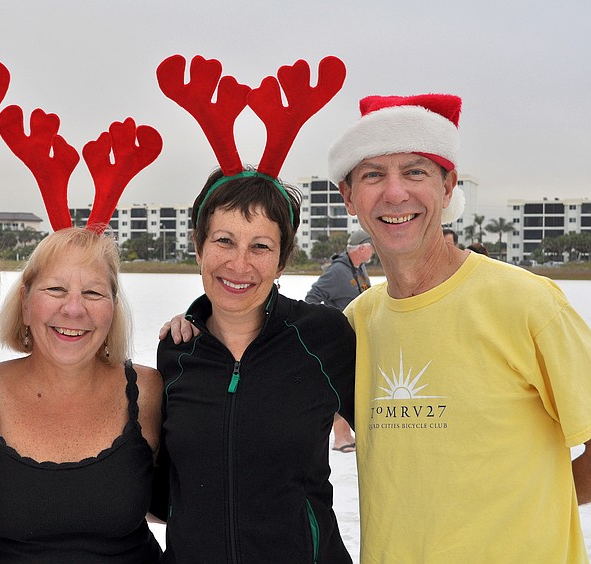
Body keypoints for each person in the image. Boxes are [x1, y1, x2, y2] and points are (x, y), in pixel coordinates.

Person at [328, 93, 591, 562]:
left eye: (415, 172)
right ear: (349, 197)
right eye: (372, 174)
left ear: (448, 187)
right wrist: (198, 323)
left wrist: (529, 507)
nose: (394, 193)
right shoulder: (356, 325)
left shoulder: (529, 304)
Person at [154, 168, 356, 563]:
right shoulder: (176, 352)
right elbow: (164, 490)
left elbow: (398, 441)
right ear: (199, 248)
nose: (239, 264)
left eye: (260, 246)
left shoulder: (322, 337)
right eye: (224, 241)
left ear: (281, 261)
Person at [0, 227, 163, 563]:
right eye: (55, 289)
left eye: (94, 293)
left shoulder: (150, 392)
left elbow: (194, 505)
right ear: (25, 303)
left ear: (113, 308)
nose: (74, 310)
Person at [304, 229, 374, 453]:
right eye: (371, 246)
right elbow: (312, 297)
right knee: (339, 386)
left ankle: (346, 435)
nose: (373, 250)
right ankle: (340, 438)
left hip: (357, 338)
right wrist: (328, 322)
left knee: (351, 385)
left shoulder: (359, 268)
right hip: (339, 338)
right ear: (362, 248)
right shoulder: (337, 272)